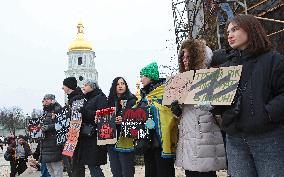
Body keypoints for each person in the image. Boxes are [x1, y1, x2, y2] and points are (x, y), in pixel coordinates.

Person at [212, 14, 284, 177]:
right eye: (228, 31)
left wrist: (267, 113)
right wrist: (213, 103)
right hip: (235, 140)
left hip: (268, 137)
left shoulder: (274, 61)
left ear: (251, 29)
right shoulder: (226, 68)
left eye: (235, 29)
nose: (229, 35)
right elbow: (223, 102)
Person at [170, 39, 226, 177]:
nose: (184, 60)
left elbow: (222, 113)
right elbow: (185, 112)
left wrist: (214, 108)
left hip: (205, 135)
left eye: (188, 56)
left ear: (197, 58)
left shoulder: (211, 78)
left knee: (206, 173)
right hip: (188, 136)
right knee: (191, 172)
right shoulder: (182, 80)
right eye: (182, 56)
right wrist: (177, 111)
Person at [136, 62, 178, 177]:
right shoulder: (144, 94)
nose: (141, 80)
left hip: (161, 139)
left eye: (143, 76)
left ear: (150, 76)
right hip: (147, 140)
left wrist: (150, 108)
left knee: (164, 170)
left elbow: (168, 111)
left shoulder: (164, 90)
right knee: (150, 171)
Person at [74, 80, 108, 177]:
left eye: (86, 85)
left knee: (94, 166)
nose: (83, 87)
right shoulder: (88, 99)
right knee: (91, 166)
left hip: (95, 138)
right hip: (87, 138)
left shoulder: (100, 97)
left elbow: (101, 116)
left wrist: (83, 111)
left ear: (92, 86)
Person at [107, 77, 137, 177]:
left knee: (127, 170)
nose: (120, 86)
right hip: (112, 139)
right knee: (115, 170)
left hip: (126, 140)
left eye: (122, 83)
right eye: (118, 84)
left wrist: (124, 119)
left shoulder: (132, 100)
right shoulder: (109, 101)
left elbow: (138, 117)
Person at [62, 77, 84, 177]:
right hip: (73, 134)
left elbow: (77, 118)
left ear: (68, 86)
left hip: (76, 135)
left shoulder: (77, 98)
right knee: (72, 162)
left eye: (64, 86)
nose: (62, 88)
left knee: (77, 163)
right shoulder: (72, 98)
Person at [40, 94, 63, 177]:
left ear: (52, 100)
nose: (44, 101)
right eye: (44, 99)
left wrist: (48, 127)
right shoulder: (45, 112)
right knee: (50, 169)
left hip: (54, 142)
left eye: (46, 99)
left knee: (56, 168)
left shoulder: (57, 109)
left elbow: (61, 124)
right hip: (45, 142)